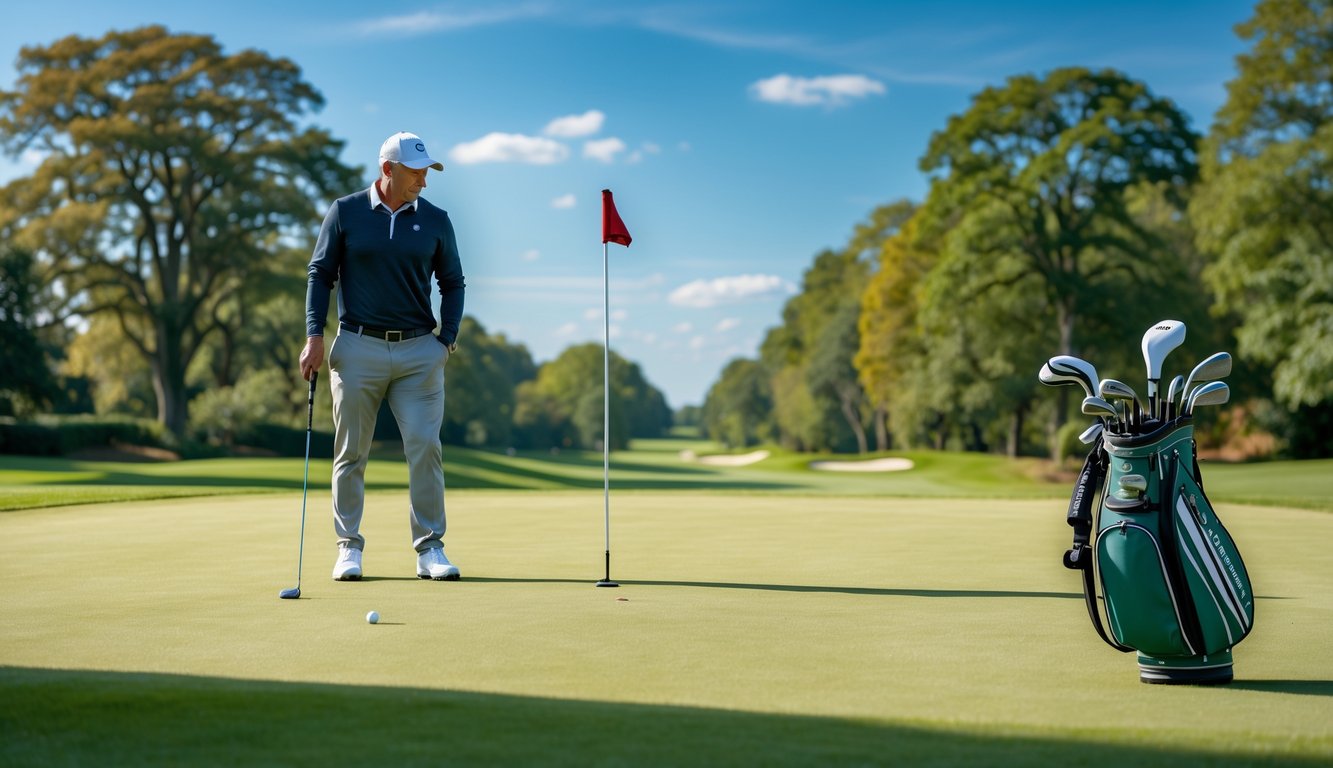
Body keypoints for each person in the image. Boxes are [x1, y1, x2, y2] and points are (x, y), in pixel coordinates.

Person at [299, 131, 465, 582]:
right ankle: (348, 547)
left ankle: (430, 548)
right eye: (416, 173)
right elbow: (321, 274)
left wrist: (446, 340)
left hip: (419, 351)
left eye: (427, 173)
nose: (423, 182)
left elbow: (453, 282)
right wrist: (314, 336)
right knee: (351, 452)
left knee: (425, 448)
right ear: (388, 169)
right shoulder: (346, 211)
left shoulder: (436, 220)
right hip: (358, 347)